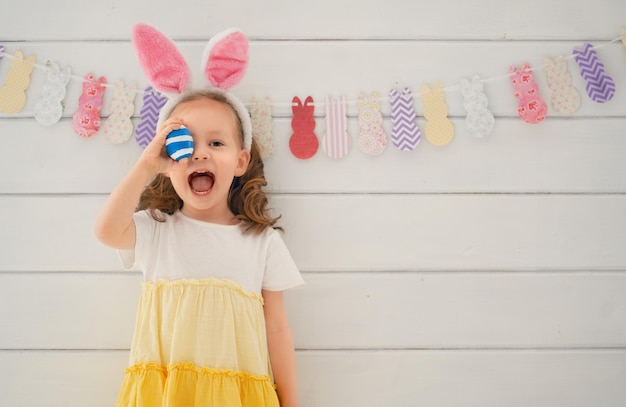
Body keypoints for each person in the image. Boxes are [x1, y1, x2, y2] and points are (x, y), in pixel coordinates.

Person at [94, 88, 304, 407]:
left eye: (216, 143)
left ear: (240, 161)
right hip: (166, 393)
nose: (200, 153)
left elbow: (276, 329)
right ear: (167, 161)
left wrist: (290, 402)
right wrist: (146, 165)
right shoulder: (156, 229)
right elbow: (107, 231)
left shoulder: (262, 241)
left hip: (237, 396)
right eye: (187, 143)